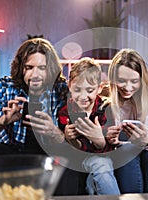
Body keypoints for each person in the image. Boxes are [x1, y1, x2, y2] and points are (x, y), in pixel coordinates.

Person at [0, 38, 68, 157]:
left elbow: (72, 145)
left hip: (47, 154)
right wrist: (3, 121)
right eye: (29, 68)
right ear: (20, 68)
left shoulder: (61, 89)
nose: (35, 75)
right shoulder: (4, 86)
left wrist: (53, 130)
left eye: (42, 68)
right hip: (11, 151)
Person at [106, 48, 148, 193]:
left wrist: (145, 140)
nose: (127, 88)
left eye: (134, 81)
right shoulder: (109, 97)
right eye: (121, 81)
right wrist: (111, 139)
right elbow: (114, 138)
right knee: (126, 151)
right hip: (126, 147)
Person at [57, 57, 120, 195]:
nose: (83, 96)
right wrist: (70, 138)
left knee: (101, 165)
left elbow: (110, 147)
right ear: (70, 87)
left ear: (99, 88)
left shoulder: (107, 108)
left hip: (100, 157)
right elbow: (70, 148)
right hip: (75, 158)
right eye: (77, 90)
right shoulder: (65, 111)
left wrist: (99, 140)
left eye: (89, 90)